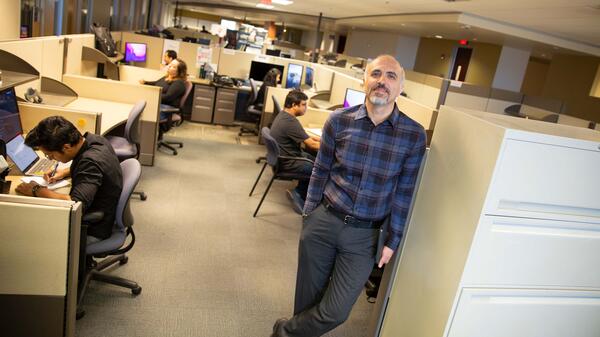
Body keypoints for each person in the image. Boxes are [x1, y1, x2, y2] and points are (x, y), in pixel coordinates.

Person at [270, 55, 426, 337]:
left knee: (336, 311)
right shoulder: (338, 121)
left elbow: (405, 192)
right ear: (365, 80)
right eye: (376, 74)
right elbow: (320, 170)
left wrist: (393, 240)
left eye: (391, 76)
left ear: (400, 86)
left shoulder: (413, 135)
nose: (382, 81)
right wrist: (309, 215)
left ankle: (284, 331)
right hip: (324, 220)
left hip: (365, 236)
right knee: (306, 300)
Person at [15, 116, 123, 243]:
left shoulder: (89, 163)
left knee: (28, 230)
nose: (50, 159)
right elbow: (98, 169)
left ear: (66, 147)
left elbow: (76, 203)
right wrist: (66, 172)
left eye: (50, 155)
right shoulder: (94, 140)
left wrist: (37, 190)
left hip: (93, 227)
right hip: (104, 211)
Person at [269, 89, 320, 214]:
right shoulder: (291, 122)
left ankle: (301, 191)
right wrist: (332, 146)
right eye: (303, 105)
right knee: (318, 168)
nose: (306, 108)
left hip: (283, 158)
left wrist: (324, 139)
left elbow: (305, 136)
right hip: (288, 163)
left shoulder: (283, 115)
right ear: (293, 105)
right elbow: (312, 145)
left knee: (314, 159)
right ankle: (298, 194)